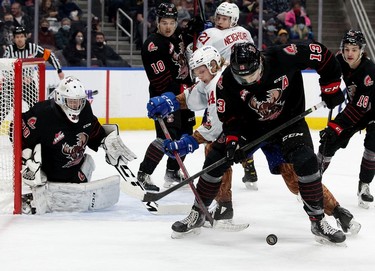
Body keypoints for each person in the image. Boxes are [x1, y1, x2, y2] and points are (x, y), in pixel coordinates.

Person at [149, 45, 360, 235]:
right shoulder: (226, 82)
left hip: (288, 122)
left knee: (305, 163)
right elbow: (229, 117)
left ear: (260, 62)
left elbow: (322, 55)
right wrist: (232, 140)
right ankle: (199, 212)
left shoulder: (284, 56)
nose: (248, 81)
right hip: (252, 128)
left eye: (251, 75)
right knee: (216, 157)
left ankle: (320, 219)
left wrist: (330, 87)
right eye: (242, 78)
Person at [20, 76, 132, 214]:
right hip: (47, 176)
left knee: (88, 162)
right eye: (72, 102)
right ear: (60, 99)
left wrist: (106, 141)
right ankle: (33, 191)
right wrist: (26, 158)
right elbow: (16, 128)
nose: (76, 106)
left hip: (73, 173)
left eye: (79, 102)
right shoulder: (42, 114)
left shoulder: (85, 109)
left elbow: (93, 130)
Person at [195, 2, 259, 189]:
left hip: (235, 87)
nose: (220, 21)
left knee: (237, 130)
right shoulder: (210, 34)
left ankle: (248, 167)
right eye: (218, 17)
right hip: (219, 87)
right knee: (218, 129)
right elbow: (197, 58)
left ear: (234, 20)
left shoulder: (242, 33)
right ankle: (223, 171)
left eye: (225, 18)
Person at [139, 2, 195, 192]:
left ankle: (172, 172)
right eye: (164, 22)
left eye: (172, 22)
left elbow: (189, 39)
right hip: (165, 98)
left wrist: (196, 28)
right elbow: (161, 81)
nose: (168, 26)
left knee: (186, 135)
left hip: (185, 94)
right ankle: (143, 174)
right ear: (157, 22)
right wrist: (185, 91)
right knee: (166, 137)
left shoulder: (177, 34)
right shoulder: (153, 45)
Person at [318, 30, 375, 209]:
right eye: (347, 49)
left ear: (361, 51)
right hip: (356, 108)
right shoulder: (339, 60)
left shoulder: (369, 71)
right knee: (329, 140)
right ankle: (312, 179)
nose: (350, 53)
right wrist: (330, 91)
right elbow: (328, 76)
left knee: (372, 146)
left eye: (354, 49)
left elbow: (359, 107)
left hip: (372, 112)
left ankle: (364, 185)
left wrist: (336, 125)